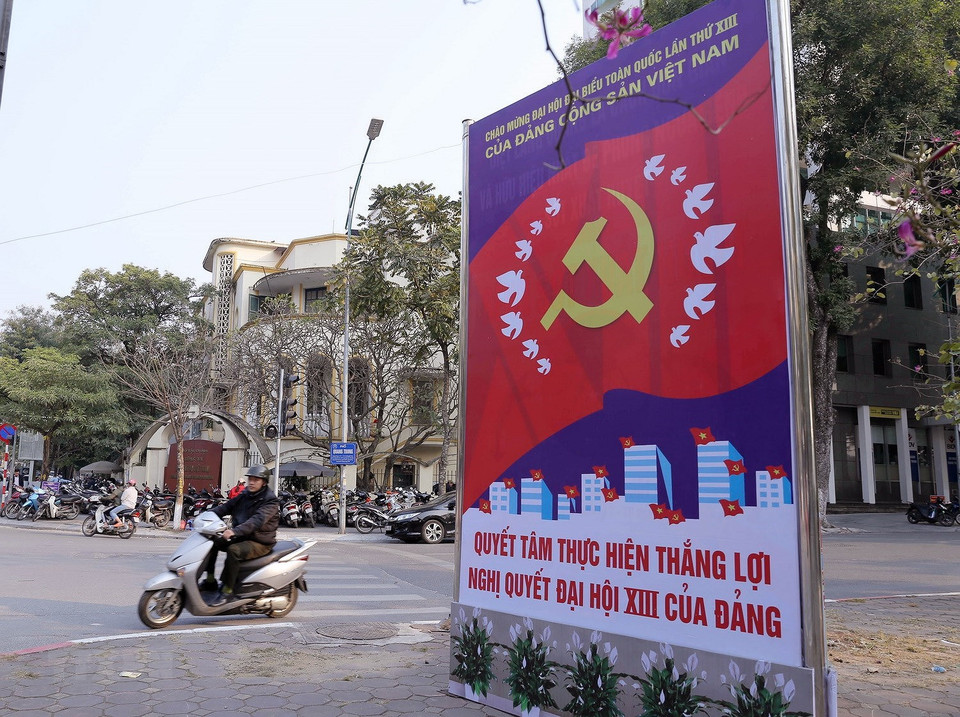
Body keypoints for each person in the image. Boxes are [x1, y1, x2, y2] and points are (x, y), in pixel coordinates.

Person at [203, 464, 280, 606]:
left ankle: (228, 590)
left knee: (234, 550)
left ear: (264, 482)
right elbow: (226, 507)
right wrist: (206, 516)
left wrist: (234, 531)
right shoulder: (245, 494)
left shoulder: (270, 501)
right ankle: (210, 580)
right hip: (243, 536)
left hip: (260, 541)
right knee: (212, 542)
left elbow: (256, 521)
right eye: (250, 479)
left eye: (256, 480)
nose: (251, 482)